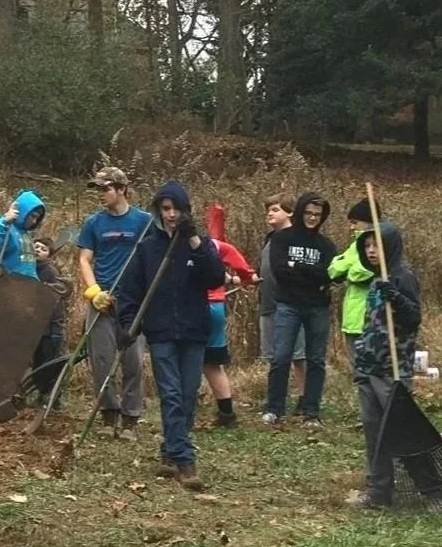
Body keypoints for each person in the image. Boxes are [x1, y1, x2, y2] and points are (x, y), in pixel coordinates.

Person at [115, 181, 225, 491]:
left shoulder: (198, 244)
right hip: (160, 332)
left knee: (188, 394)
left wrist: (192, 241)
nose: (172, 214)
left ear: (186, 211)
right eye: (165, 209)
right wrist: (128, 324)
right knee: (172, 394)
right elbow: (130, 290)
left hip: (193, 331)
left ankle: (169, 450)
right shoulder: (148, 248)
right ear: (158, 211)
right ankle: (184, 459)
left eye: (177, 208)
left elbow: (215, 276)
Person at [348, 222, 436, 508]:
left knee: (401, 430)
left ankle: (433, 489)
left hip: (392, 368)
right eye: (367, 246)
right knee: (374, 431)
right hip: (368, 366)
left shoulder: (402, 277)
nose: (371, 251)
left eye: (377, 245)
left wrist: (396, 298)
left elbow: (413, 319)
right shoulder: (374, 280)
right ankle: (379, 490)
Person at [75, 167, 154, 440]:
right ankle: (109, 414)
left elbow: (155, 257)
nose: (101, 194)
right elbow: (85, 259)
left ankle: (131, 418)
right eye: (98, 189)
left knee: (133, 361)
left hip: (133, 302)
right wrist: (93, 291)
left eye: (106, 188)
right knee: (102, 361)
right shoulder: (94, 223)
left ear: (122, 189)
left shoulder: (144, 221)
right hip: (102, 300)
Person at [262, 192, 336, 426]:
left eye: (317, 214)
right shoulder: (282, 239)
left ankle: (311, 411)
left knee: (315, 359)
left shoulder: (326, 245)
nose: (312, 218)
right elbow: (280, 271)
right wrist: (311, 274)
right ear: (301, 211)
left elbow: (329, 275)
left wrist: (298, 267)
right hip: (288, 305)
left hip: (318, 307)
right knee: (281, 357)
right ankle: (274, 408)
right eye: (308, 213)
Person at [202, 236, 256, 427]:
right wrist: (247, 276)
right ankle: (227, 414)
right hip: (216, 307)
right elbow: (234, 257)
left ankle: (183, 412)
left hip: (194, 307)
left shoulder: (175, 245)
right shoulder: (212, 245)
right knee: (213, 364)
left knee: (188, 360)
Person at [257, 194, 306, 397]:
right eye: (268, 210)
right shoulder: (270, 240)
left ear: (290, 213)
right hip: (268, 304)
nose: (270, 213)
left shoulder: (296, 238)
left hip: (290, 305)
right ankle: (276, 396)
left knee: (298, 354)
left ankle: (304, 395)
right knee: (273, 356)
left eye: (275, 209)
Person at [330, 199, 378, 353]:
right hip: (353, 317)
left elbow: (361, 272)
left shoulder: (380, 243)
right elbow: (334, 269)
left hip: (370, 317)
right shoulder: (355, 245)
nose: (351, 227)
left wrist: (348, 271)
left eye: (355, 222)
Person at [30, 239, 72, 405]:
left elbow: (56, 302)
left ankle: (53, 398)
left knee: (51, 363)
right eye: (36, 247)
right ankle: (41, 395)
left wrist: (56, 328)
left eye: (43, 248)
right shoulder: (30, 269)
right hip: (36, 328)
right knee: (38, 363)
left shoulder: (49, 271)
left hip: (50, 328)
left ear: (49, 254)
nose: (38, 250)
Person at [0, 191, 47, 278]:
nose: (34, 221)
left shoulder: (25, 234)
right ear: (23, 212)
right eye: (33, 216)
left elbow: (29, 267)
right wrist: (4, 222)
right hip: (3, 285)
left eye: (37, 218)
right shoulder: (4, 227)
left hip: (24, 287)